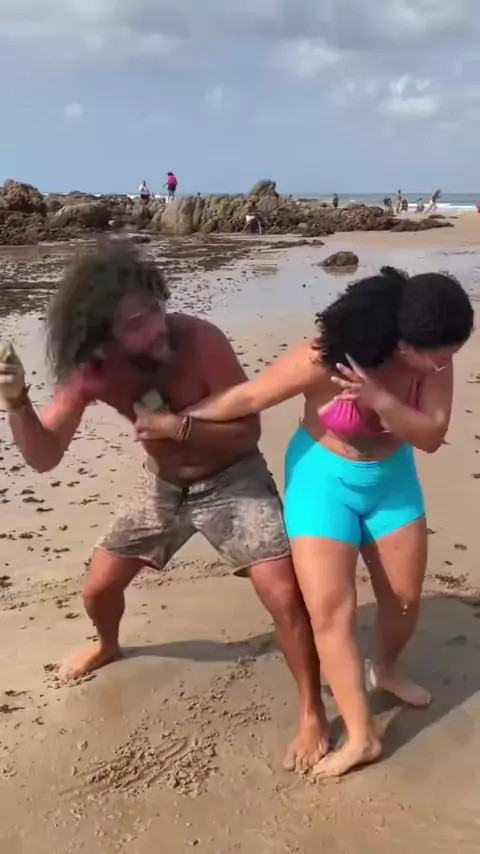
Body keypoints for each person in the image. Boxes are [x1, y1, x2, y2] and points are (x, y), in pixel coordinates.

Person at [0, 241, 327, 771]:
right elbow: (44, 456)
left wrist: (181, 427)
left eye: (155, 308)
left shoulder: (201, 339)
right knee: (98, 589)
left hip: (234, 478)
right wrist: (17, 403)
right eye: (136, 323)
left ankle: (312, 711)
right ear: (102, 335)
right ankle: (108, 644)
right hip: (162, 485)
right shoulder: (91, 371)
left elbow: (248, 430)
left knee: (283, 594)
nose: (157, 327)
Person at [137, 266, 474, 778]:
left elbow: (429, 436)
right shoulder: (327, 354)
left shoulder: (434, 363)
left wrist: (380, 400)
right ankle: (361, 737)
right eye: (439, 355)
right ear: (402, 342)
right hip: (322, 480)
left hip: (391, 483)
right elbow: (249, 397)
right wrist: (177, 423)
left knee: (404, 601)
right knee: (331, 612)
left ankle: (386, 669)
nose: (445, 363)